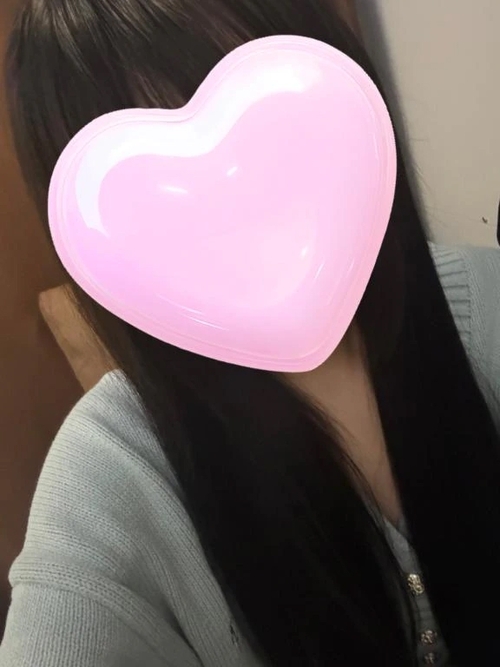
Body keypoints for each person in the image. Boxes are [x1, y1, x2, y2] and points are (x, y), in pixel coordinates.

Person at [1, 1, 500, 665]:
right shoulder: (111, 479)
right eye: (156, 197)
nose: (234, 211)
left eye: (275, 138)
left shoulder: (488, 298)